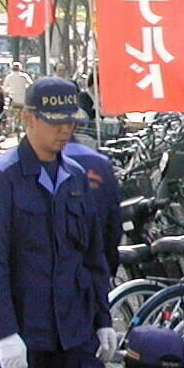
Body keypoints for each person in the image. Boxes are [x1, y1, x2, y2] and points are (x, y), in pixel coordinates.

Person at [0, 76, 113, 368]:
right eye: (55, 122)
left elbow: (93, 256)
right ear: (28, 119)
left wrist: (103, 318)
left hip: (73, 334)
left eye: (71, 122)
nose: (65, 130)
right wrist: (5, 333)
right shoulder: (0, 177)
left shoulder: (76, 177)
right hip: (24, 335)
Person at [61, 122, 123, 286]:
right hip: (94, 267)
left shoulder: (41, 163)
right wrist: (110, 265)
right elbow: (114, 221)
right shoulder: (101, 163)